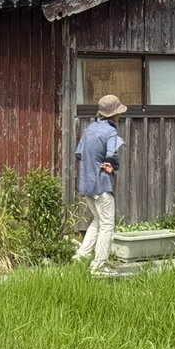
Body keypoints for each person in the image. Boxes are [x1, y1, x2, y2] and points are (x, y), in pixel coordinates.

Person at [72, 94, 126, 274]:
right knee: (107, 224)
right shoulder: (111, 131)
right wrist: (111, 163)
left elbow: (79, 153)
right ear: (114, 115)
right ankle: (99, 264)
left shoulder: (90, 128)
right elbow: (112, 153)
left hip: (86, 183)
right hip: (101, 184)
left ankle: (81, 256)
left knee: (98, 220)